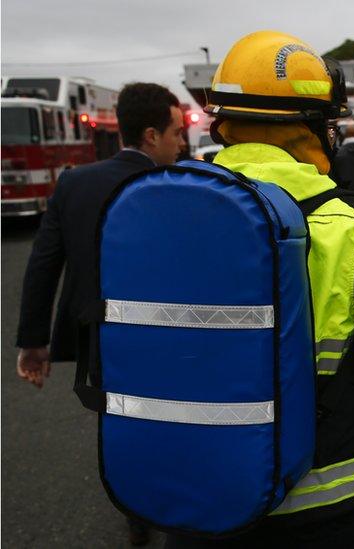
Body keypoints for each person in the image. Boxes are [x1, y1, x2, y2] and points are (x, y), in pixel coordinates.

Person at [186, 30, 354, 548]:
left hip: (191, 491)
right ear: (310, 127)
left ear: (223, 125)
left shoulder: (162, 217)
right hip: (327, 508)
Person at [15, 82, 184, 547]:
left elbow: (44, 264)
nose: (182, 143)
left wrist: (34, 342)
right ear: (151, 135)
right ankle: (177, 502)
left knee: (117, 423)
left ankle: (133, 507)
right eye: (176, 132)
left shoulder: (74, 182)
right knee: (172, 420)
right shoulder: (182, 187)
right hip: (169, 339)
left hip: (99, 339)